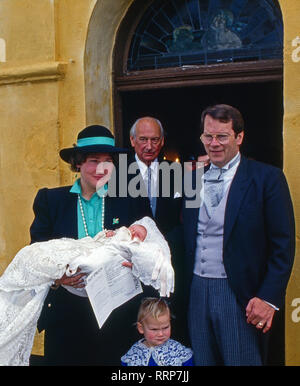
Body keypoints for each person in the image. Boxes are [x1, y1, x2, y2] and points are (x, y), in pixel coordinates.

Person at [182, 104, 295, 365]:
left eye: (222, 136)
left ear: (239, 137)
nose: (214, 143)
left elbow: (283, 244)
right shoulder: (191, 181)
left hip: (240, 294)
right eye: (208, 136)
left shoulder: (267, 178)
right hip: (196, 290)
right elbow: (183, 233)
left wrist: (268, 298)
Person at [29, 124, 147, 366]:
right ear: (78, 163)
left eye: (107, 161)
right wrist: (57, 277)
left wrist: (136, 261)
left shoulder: (130, 200)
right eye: (93, 160)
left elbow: (147, 248)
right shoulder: (51, 200)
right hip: (66, 313)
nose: (101, 168)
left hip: (117, 313)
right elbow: (35, 254)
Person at [0, 217, 174, 366]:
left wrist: (140, 261)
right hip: (65, 317)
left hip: (112, 317)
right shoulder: (51, 198)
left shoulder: (126, 198)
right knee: (32, 255)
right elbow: (42, 251)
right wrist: (57, 277)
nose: (99, 174)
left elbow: (151, 236)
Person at [128, 116, 187, 343]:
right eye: (143, 139)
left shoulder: (179, 172)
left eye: (154, 139)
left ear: (162, 141)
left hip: (171, 266)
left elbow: (189, 221)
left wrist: (166, 246)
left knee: (170, 329)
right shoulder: (115, 173)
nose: (149, 146)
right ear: (133, 140)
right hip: (133, 267)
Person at [121, 297, 194, 366]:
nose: (161, 334)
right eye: (154, 329)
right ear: (141, 328)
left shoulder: (177, 350)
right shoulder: (134, 353)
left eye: (165, 327)